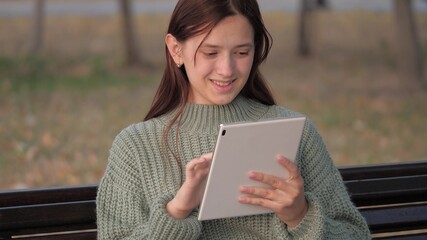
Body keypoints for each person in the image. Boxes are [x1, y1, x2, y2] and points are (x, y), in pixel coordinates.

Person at [96, 0, 371, 239]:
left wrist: (300, 215)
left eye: (242, 52)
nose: (226, 69)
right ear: (176, 49)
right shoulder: (135, 147)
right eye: (210, 52)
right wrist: (178, 210)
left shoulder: (295, 132)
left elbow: (356, 234)